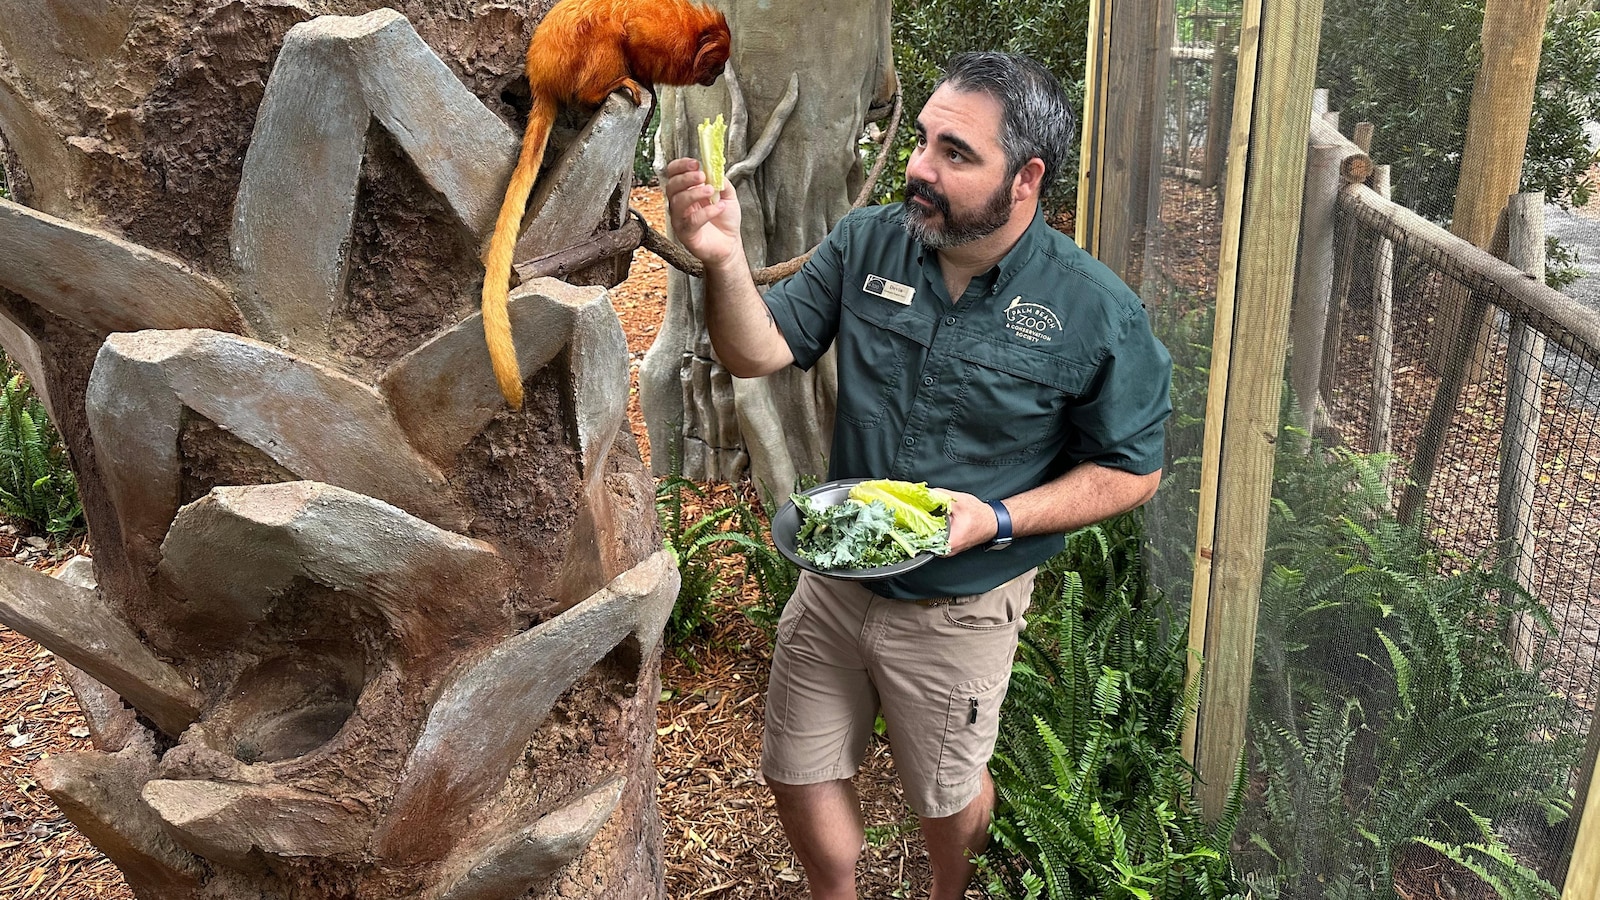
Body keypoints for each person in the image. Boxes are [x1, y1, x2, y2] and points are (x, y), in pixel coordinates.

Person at [664, 51, 1173, 900]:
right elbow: (757, 350)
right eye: (924, 138)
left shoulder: (1095, 311)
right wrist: (721, 258)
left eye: (955, 153)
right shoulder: (870, 242)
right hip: (836, 578)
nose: (919, 167)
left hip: (961, 606)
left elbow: (1132, 471)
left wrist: (998, 521)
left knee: (946, 793)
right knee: (796, 767)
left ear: (1027, 178)